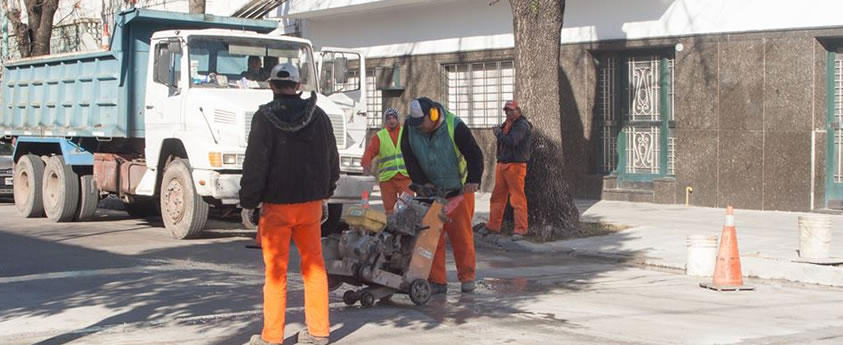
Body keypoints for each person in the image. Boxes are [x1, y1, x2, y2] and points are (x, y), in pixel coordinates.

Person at [240, 63, 338, 345]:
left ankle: (272, 337)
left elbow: (255, 163)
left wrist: (248, 202)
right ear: (298, 86)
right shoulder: (318, 117)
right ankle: (319, 332)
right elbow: (332, 159)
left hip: (276, 208)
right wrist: (326, 195)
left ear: (271, 85)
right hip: (310, 206)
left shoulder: (264, 118)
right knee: (314, 267)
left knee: (275, 273)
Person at [400, 97, 484, 294]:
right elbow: (409, 157)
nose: (418, 128)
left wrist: (473, 180)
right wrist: (421, 182)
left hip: (459, 191)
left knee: (461, 236)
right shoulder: (411, 127)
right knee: (430, 237)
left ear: (434, 115)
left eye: (422, 123)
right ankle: (437, 280)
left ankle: (467, 277)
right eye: (416, 124)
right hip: (432, 191)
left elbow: (475, 154)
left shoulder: (455, 126)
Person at [481, 100, 533, 241]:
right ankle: (493, 226)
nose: (508, 112)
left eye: (511, 110)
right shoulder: (508, 124)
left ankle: (520, 230)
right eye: (506, 110)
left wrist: (498, 133)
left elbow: (512, 141)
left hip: (515, 166)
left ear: (518, 111)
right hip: (503, 164)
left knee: (517, 199)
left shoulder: (521, 125)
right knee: (497, 197)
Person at [361, 108, 413, 213]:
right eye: (389, 118)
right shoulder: (380, 136)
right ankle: (391, 228)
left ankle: (407, 228)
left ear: (397, 119)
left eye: (394, 118)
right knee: (390, 209)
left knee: (408, 208)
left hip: (405, 177)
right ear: (385, 120)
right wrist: (366, 164)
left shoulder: (406, 133)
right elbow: (370, 151)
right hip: (387, 180)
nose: (391, 120)